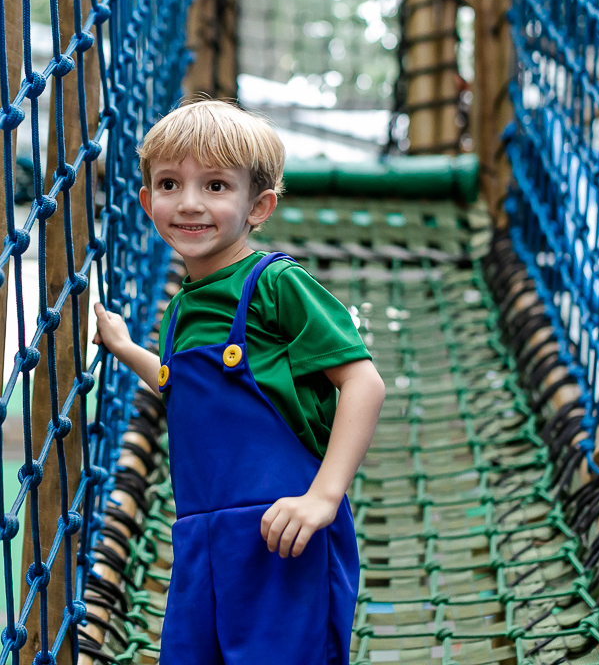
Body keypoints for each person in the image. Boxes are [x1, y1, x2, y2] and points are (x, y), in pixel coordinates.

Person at [92, 100, 386, 663]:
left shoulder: (275, 283)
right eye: (170, 183)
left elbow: (363, 382)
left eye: (218, 185)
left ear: (260, 205)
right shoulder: (180, 306)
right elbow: (182, 387)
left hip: (282, 531)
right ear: (147, 200)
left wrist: (323, 498)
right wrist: (128, 348)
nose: (190, 203)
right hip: (200, 538)